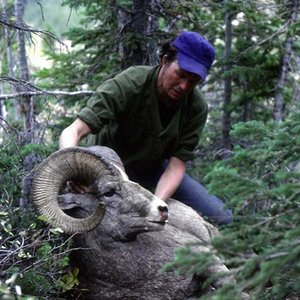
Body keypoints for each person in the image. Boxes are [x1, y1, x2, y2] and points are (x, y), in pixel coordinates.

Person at [59, 31, 233, 225]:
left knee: (223, 218)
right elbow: (74, 130)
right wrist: (71, 169)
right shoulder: (131, 83)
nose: (184, 86)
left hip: (153, 172)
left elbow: (177, 165)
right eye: (181, 75)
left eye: (192, 81)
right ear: (164, 60)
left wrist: (155, 204)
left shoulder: (196, 106)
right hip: (108, 170)